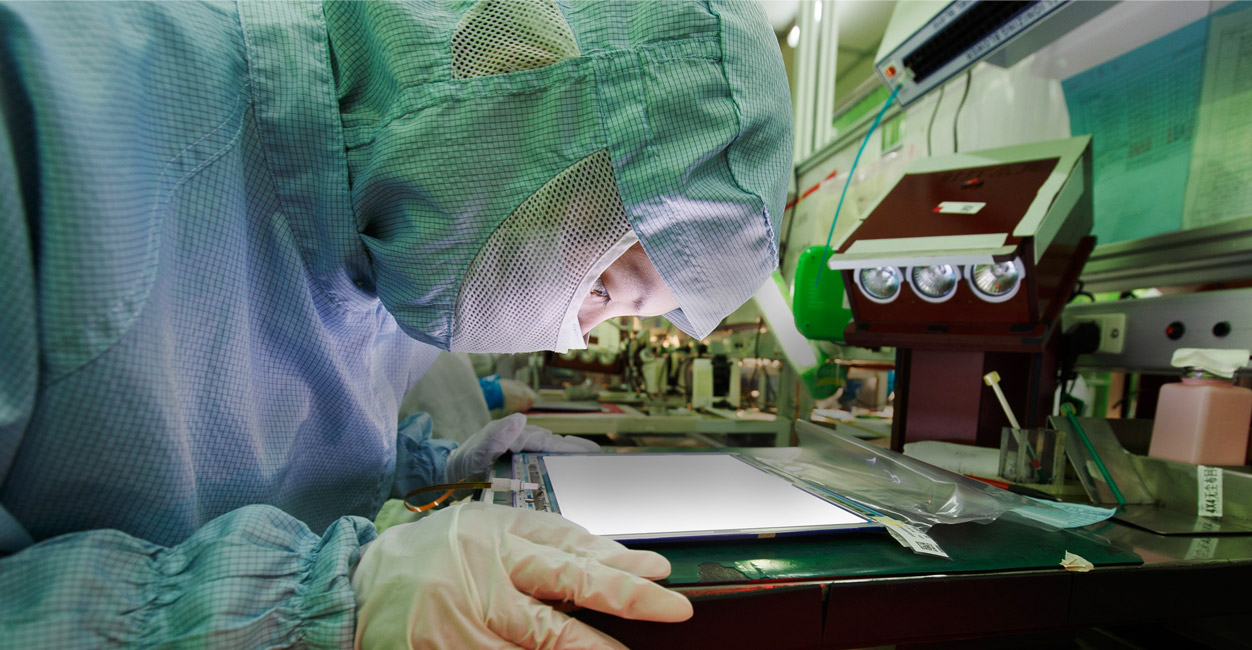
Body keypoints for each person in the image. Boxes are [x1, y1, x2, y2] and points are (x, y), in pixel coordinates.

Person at [0, 1, 791, 648]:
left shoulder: (399, 235)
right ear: (525, 83)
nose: (577, 335)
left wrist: (440, 474)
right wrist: (322, 604)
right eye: (608, 285)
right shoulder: (51, 84)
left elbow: (305, 453)